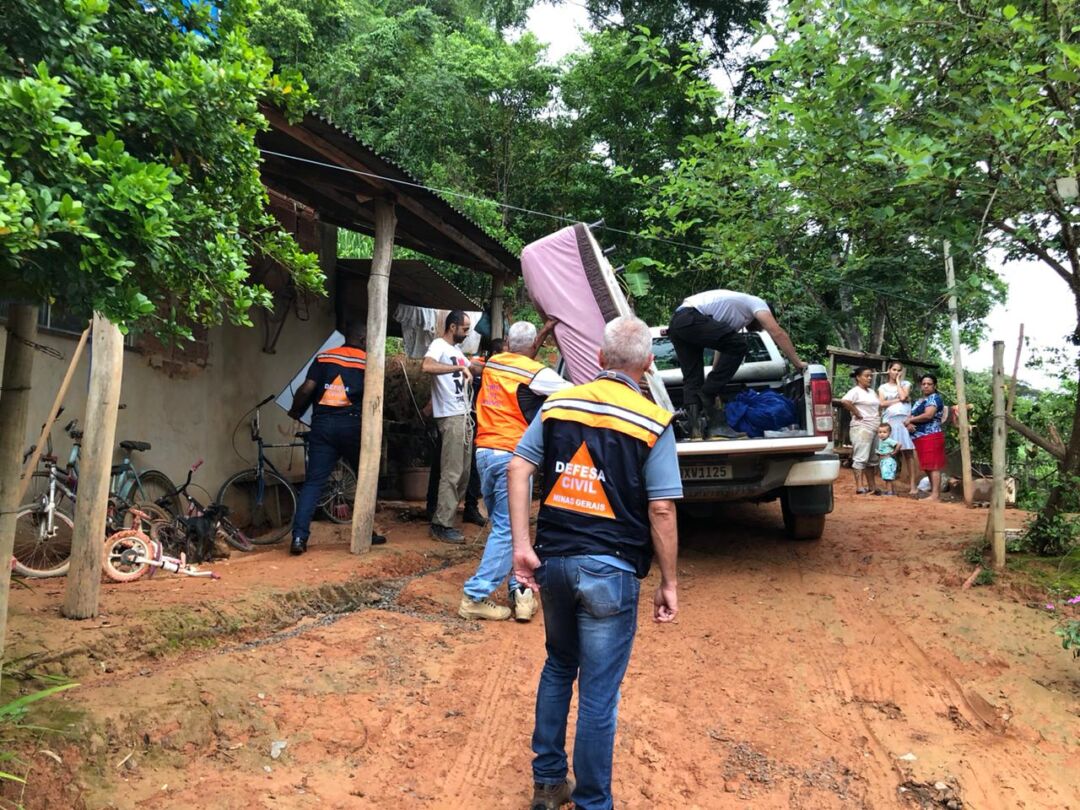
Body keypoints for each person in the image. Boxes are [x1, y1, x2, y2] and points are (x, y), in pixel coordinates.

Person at [509, 315, 681, 810]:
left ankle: (546, 784)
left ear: (601, 359)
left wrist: (523, 545)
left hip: (556, 565)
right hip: (612, 572)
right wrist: (669, 581)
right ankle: (592, 802)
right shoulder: (654, 421)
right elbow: (662, 508)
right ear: (647, 365)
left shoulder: (558, 402)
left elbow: (520, 467)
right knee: (599, 694)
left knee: (560, 665)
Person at [458, 321, 569, 622]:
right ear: (534, 347)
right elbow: (573, 393)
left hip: (484, 454)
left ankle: (520, 593)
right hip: (513, 458)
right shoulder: (537, 373)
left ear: (506, 342)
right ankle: (475, 596)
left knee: (505, 528)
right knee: (510, 530)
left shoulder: (494, 363)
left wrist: (544, 330)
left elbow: (508, 359)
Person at [286, 321, 386, 555]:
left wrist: (295, 411)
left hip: (323, 426)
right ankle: (366, 533)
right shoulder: (369, 363)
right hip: (353, 425)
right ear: (363, 340)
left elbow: (306, 389)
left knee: (313, 483)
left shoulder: (325, 357)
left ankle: (299, 538)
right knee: (364, 479)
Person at [666, 289, 807, 439]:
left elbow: (721, 347)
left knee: (693, 379)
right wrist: (797, 362)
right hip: (691, 316)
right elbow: (777, 332)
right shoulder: (758, 303)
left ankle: (696, 432)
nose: (760, 329)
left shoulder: (731, 318)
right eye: (761, 326)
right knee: (739, 344)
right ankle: (707, 393)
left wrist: (715, 374)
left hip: (677, 324)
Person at [422, 310, 481, 543]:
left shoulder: (456, 352)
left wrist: (493, 366)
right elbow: (427, 366)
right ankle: (441, 524)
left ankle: (446, 518)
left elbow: (472, 368)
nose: (467, 334)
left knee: (463, 473)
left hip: (464, 415)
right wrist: (458, 368)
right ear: (453, 326)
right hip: (451, 416)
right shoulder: (439, 345)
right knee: (452, 472)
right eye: (465, 329)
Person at [878, 362, 919, 496]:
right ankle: (890, 486)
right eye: (893, 370)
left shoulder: (905, 384)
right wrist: (899, 400)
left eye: (898, 370)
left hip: (903, 421)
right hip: (889, 422)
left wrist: (898, 382)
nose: (896, 372)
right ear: (889, 370)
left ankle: (913, 485)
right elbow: (882, 403)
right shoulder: (882, 387)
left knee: (908, 453)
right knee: (889, 454)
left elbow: (903, 396)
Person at [840, 366, 881, 494]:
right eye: (866, 375)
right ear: (858, 377)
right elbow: (845, 401)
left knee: (872, 459)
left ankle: (872, 486)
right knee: (861, 457)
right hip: (862, 427)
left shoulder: (872, 392)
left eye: (870, 376)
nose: (869, 378)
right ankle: (859, 487)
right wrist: (856, 412)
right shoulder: (855, 391)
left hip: (874, 427)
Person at [905, 374, 946, 501]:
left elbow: (928, 415)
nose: (926, 386)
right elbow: (909, 416)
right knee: (927, 465)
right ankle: (933, 494)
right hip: (920, 437)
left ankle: (935, 495)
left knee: (933, 465)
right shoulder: (919, 401)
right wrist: (909, 423)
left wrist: (911, 420)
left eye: (929, 384)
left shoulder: (934, 398)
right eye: (924, 384)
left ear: (935, 386)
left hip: (931, 436)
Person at [876, 423, 899, 496]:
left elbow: (899, 444)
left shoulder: (889, 440)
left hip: (888, 461)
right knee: (888, 476)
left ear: (889, 433)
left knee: (888, 477)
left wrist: (894, 452)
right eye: (880, 432)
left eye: (884, 432)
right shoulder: (882, 441)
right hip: (884, 461)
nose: (882, 434)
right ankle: (891, 491)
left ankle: (889, 492)